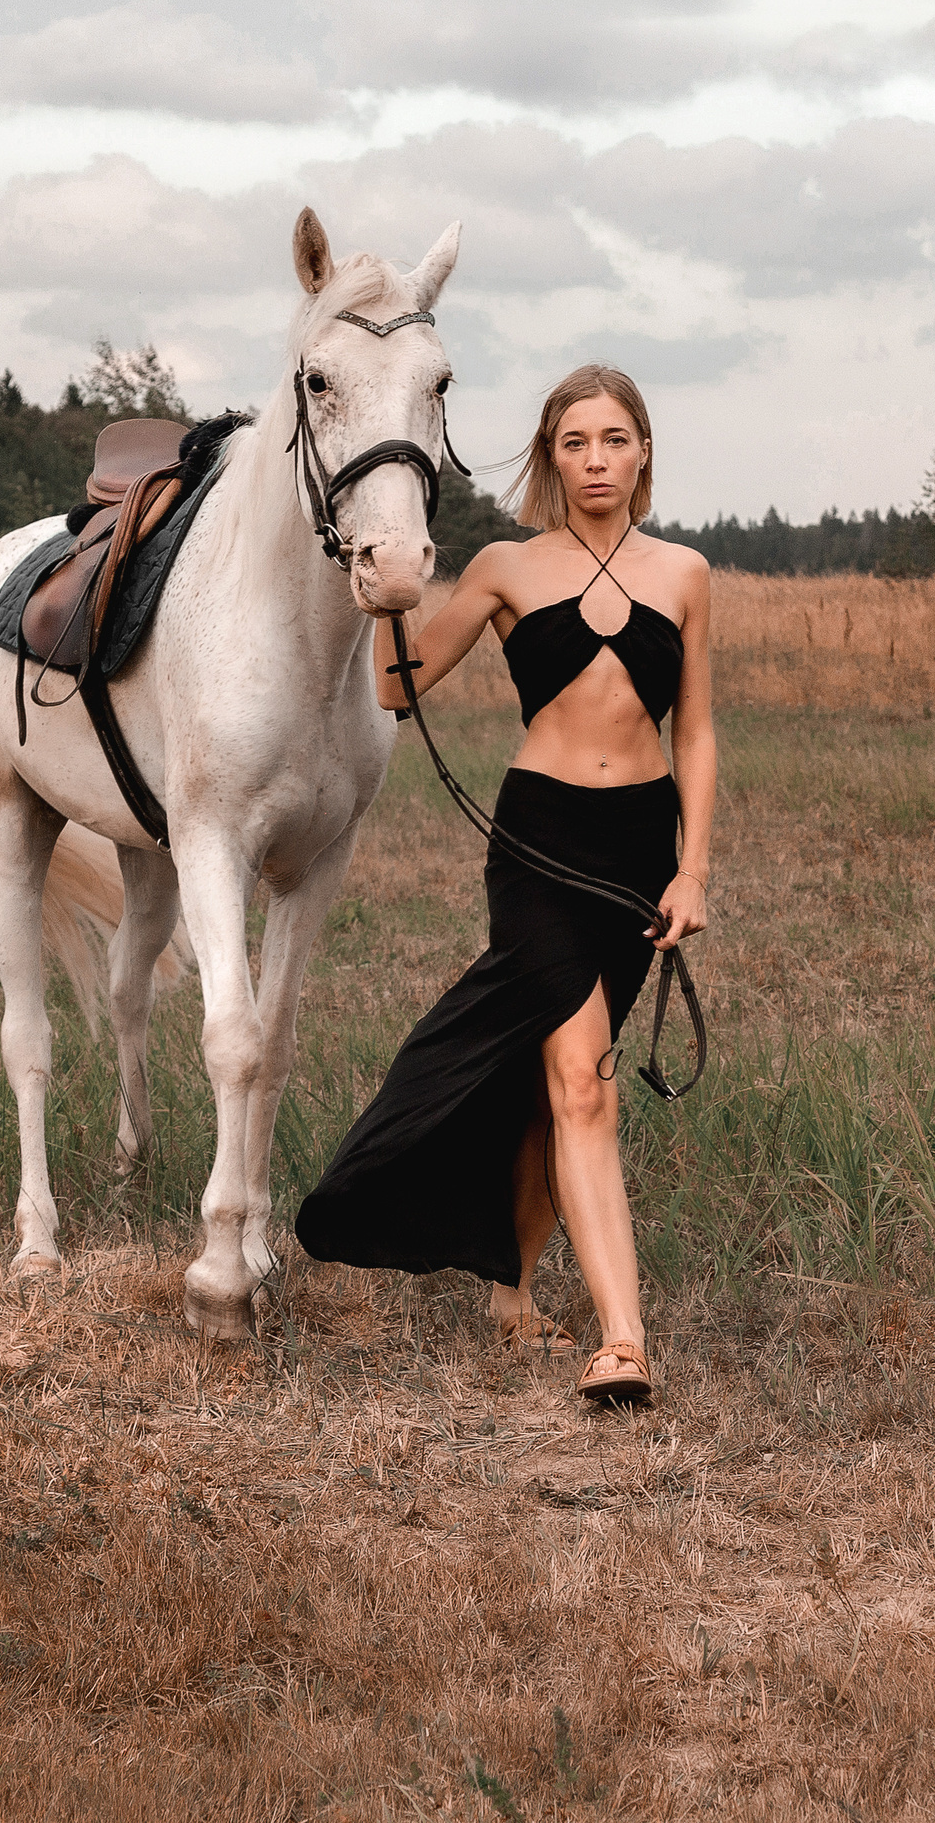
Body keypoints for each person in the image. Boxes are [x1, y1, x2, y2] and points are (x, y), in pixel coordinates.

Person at [295, 363, 713, 1405]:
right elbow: (396, 685)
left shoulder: (684, 573)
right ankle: (624, 1339)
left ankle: (512, 1282)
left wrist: (693, 863)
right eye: (574, 442)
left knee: (552, 1084)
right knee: (581, 1080)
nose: (595, 459)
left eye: (614, 438)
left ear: (644, 450)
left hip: (637, 848)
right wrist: (373, 592)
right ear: (549, 455)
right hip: (537, 840)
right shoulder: (505, 569)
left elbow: (695, 727)